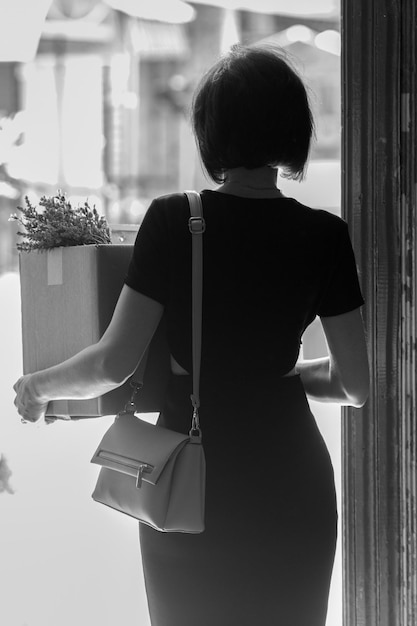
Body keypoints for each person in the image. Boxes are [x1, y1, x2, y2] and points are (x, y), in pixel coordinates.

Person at [14, 43, 369, 626]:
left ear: (212, 132)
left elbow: (112, 364)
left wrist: (36, 386)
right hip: (294, 486)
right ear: (292, 129)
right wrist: (272, 376)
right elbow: (353, 384)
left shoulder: (177, 220)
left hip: (192, 486)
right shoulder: (325, 235)